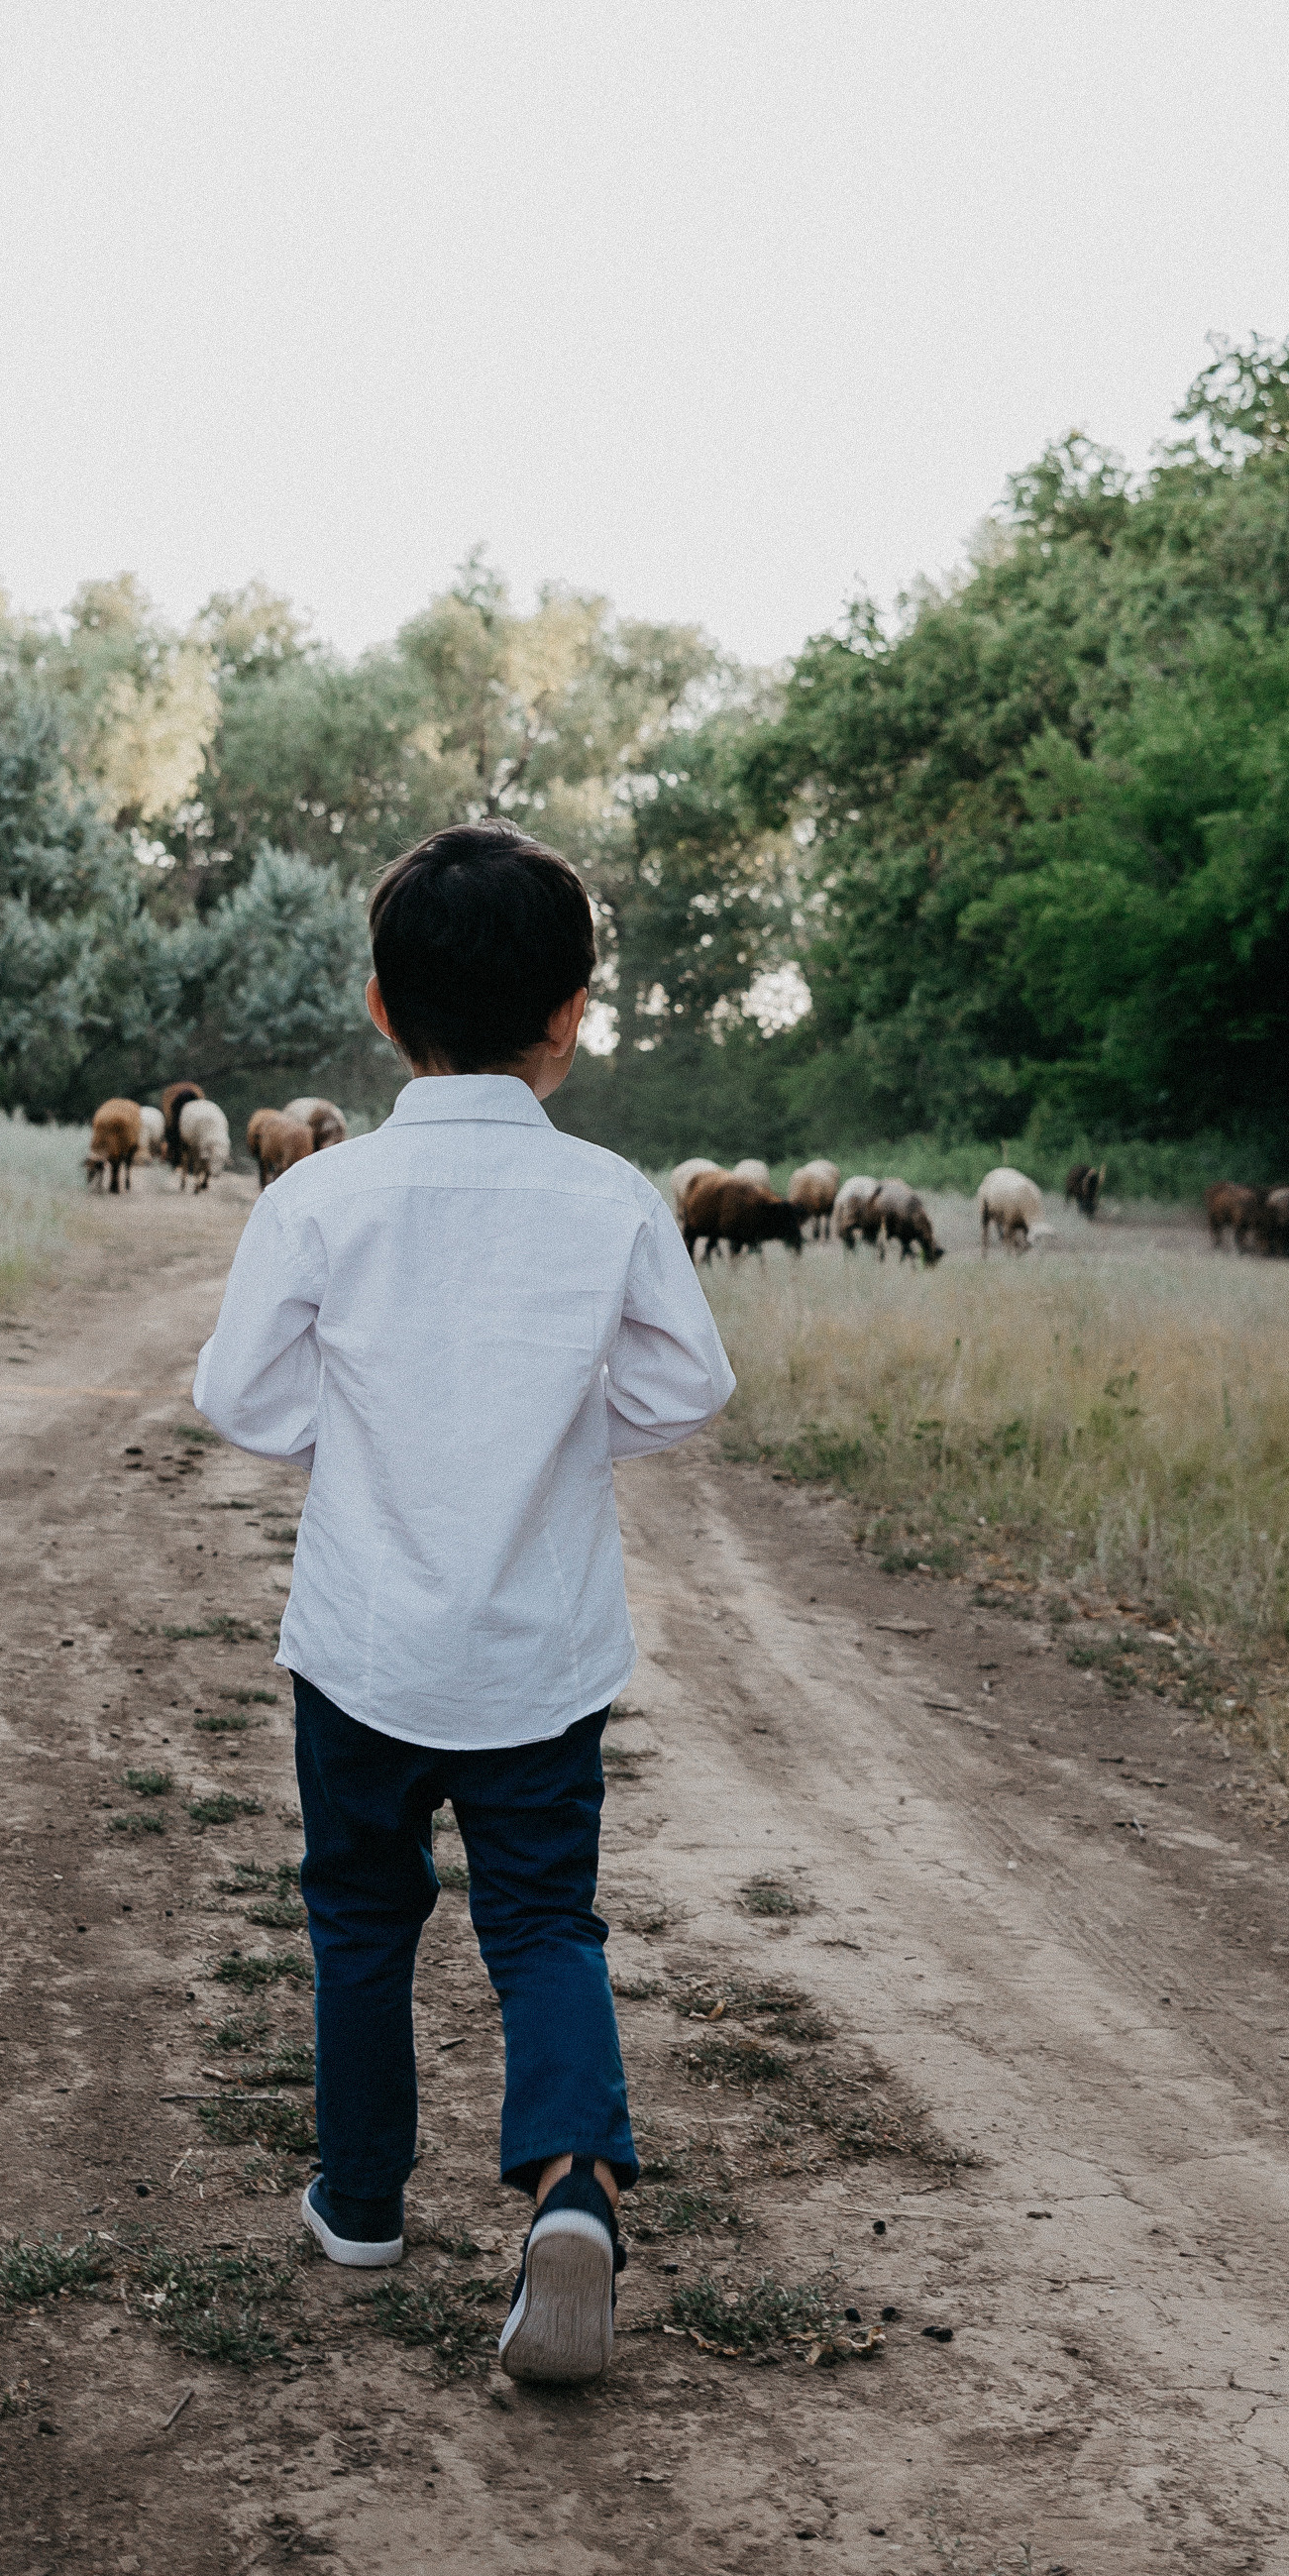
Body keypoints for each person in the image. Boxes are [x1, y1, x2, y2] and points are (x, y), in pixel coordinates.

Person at [191, 821, 735, 2387]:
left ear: (378, 1008)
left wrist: (349, 1427)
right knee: (543, 1922)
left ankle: (360, 2204)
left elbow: (238, 1393)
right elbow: (690, 1381)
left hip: (362, 1642)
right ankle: (573, 2179)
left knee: (359, 1917)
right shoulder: (613, 1199)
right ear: (571, 1015)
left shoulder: (323, 1198)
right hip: (541, 1655)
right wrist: (567, 1421)